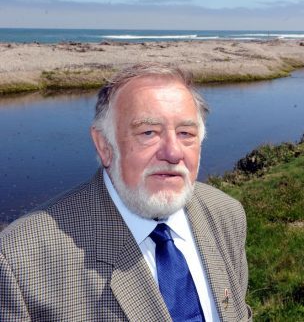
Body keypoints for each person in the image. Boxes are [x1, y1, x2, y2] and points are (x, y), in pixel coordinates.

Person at [0, 63, 251, 321]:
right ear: (104, 145)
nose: (174, 152)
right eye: (149, 132)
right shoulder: (19, 263)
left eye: (186, 133)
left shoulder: (227, 215)